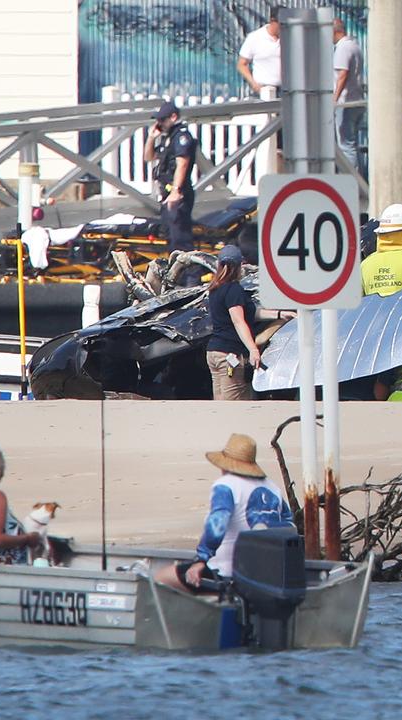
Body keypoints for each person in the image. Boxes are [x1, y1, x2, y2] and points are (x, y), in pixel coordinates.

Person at [155, 434, 294, 593]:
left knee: (161, 578)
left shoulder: (226, 485)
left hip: (227, 572)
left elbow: (217, 524)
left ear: (224, 465)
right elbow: (289, 525)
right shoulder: (272, 487)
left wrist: (201, 559)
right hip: (269, 574)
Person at [143, 101, 198, 258]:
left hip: (178, 194)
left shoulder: (181, 136)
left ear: (173, 117)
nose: (159, 124)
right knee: (170, 239)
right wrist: (151, 138)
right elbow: (148, 157)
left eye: (162, 120)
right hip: (166, 194)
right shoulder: (168, 138)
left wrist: (176, 191)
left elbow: (182, 164)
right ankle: (177, 276)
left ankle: (190, 278)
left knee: (181, 240)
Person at [206, 245, 260, 400]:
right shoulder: (233, 289)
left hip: (214, 352)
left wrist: (278, 314)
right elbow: (238, 321)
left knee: (220, 401)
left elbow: (249, 313)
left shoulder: (215, 289)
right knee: (233, 406)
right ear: (239, 266)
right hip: (230, 354)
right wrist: (253, 349)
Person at [332, 18, 365, 174]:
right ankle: (358, 180)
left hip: (345, 103)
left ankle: (350, 181)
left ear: (335, 31)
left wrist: (334, 99)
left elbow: (342, 74)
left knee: (346, 145)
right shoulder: (354, 45)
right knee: (352, 144)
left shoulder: (343, 48)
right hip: (357, 100)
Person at [237, 6, 282, 96]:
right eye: (281, 23)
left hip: (285, 90)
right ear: (273, 21)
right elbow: (241, 64)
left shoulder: (290, 37)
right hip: (264, 89)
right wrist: (254, 84)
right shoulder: (255, 38)